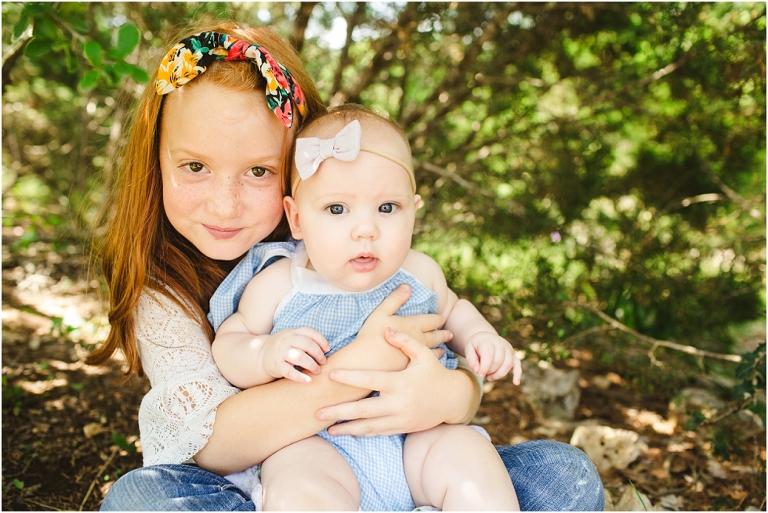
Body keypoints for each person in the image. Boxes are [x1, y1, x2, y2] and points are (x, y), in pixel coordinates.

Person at [86, 20, 604, 511]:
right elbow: (217, 441)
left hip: (412, 455)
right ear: (156, 161)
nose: (225, 204)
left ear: (296, 179)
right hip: (284, 469)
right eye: (195, 166)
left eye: (260, 171)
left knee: (563, 475)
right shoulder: (192, 287)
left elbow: (455, 324)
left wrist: (457, 390)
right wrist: (354, 364)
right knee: (143, 500)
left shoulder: (384, 257)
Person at [211, 106, 522, 510]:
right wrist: (267, 355)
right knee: (301, 488)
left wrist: (481, 337)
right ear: (298, 219)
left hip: (419, 436)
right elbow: (231, 343)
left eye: (387, 208)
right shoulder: (280, 282)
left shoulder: (421, 273)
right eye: (337, 209)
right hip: (315, 441)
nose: (366, 230)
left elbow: (455, 310)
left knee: (471, 462)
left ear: (414, 211)